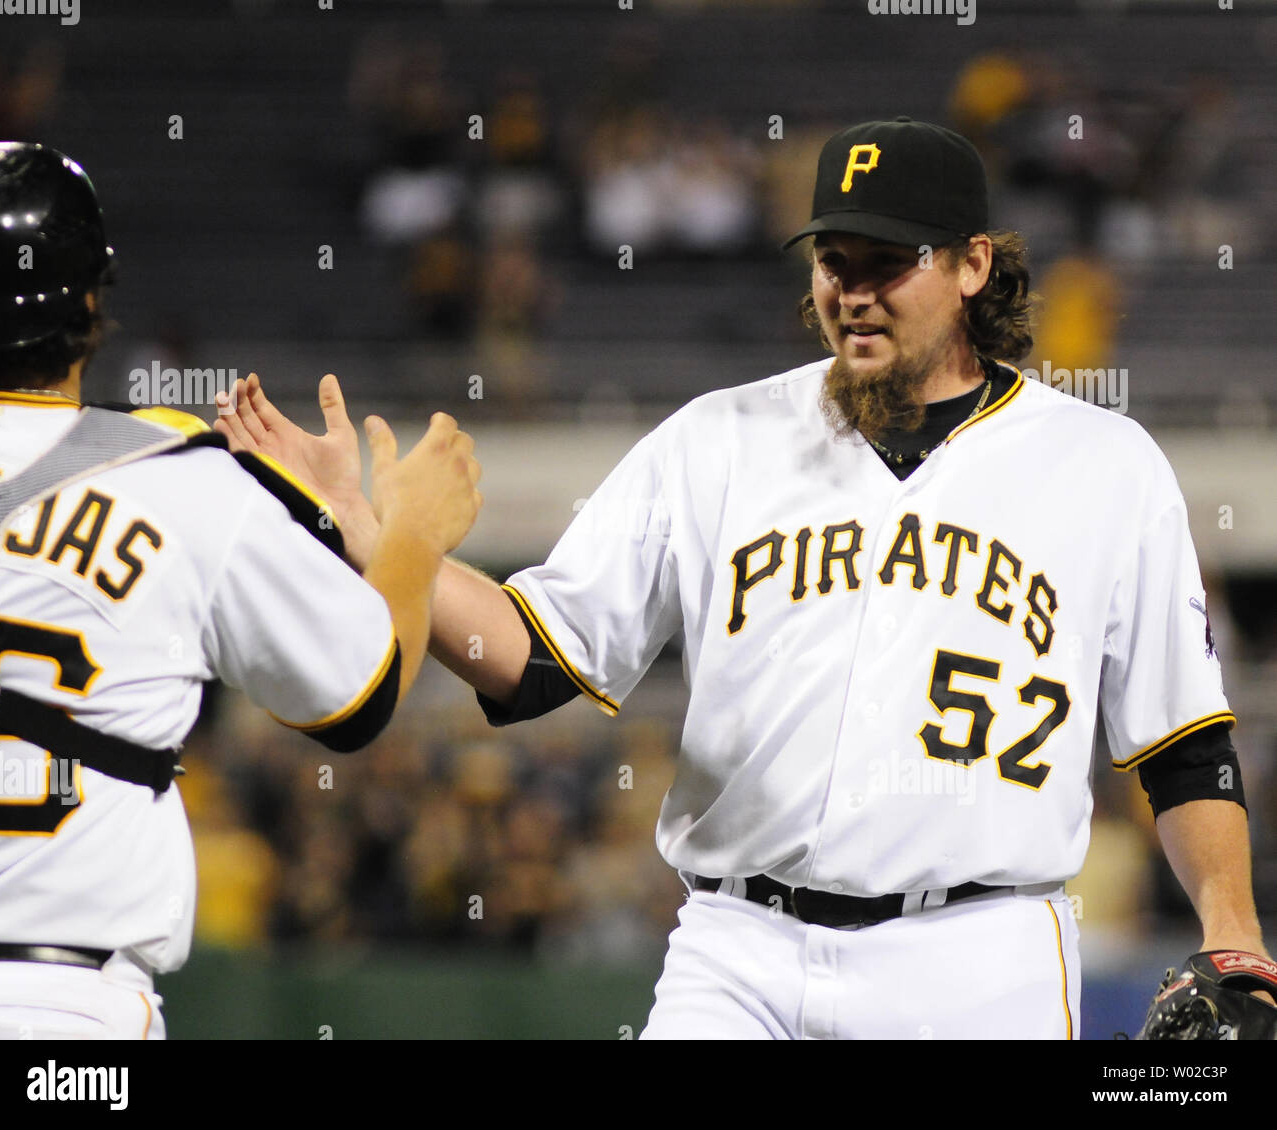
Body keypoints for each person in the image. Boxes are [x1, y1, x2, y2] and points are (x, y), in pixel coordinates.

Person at [218, 118, 1267, 1039]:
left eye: (885, 262)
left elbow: (1181, 746)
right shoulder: (719, 437)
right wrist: (376, 538)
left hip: (977, 949)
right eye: (831, 260)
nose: (849, 290)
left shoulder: (1101, 462)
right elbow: (536, 657)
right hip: (739, 943)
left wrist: (1234, 935)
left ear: (972, 266)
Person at [0, 141, 481, 1039]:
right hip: (62, 1010)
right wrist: (413, 533)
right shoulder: (173, 480)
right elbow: (359, 696)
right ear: (93, 303)